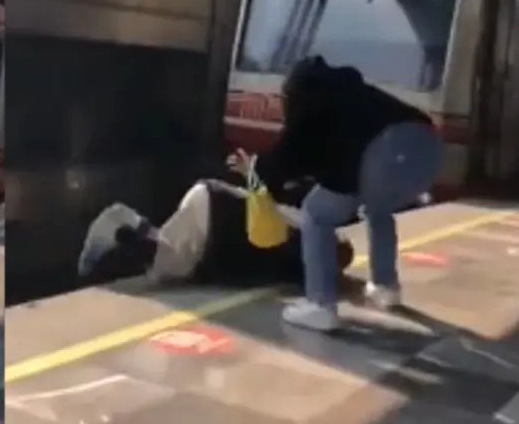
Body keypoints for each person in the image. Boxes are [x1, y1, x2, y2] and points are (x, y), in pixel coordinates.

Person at [229, 55, 442, 332]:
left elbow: (285, 157)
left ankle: (321, 305)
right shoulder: (351, 92)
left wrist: (253, 169)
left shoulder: (309, 104)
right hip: (427, 150)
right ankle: (386, 287)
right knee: (377, 208)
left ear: (293, 91)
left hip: (382, 153)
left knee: (316, 213)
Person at [78, 178, 356, 287]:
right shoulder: (305, 250)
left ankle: (130, 238)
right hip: (217, 219)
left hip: (215, 208)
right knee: (173, 259)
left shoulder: (306, 229)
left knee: (175, 256)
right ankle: (127, 240)